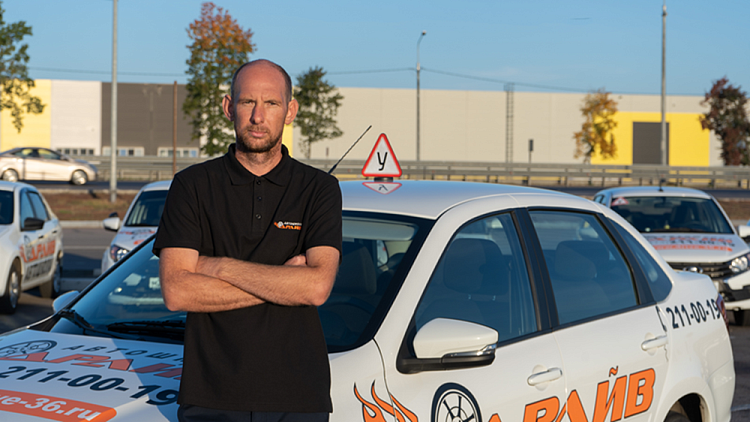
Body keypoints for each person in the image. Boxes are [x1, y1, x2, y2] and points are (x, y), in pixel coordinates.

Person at [153, 59, 342, 422]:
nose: (258, 116)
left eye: (271, 103)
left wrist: (218, 267)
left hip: (299, 397)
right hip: (210, 397)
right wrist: (285, 283)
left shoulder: (319, 189)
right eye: (247, 102)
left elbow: (317, 287)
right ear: (228, 107)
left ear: (290, 111)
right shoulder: (192, 186)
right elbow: (177, 291)